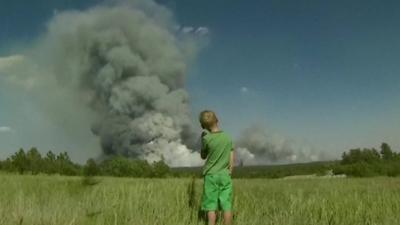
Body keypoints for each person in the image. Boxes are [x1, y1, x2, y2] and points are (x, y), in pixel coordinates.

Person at [199, 110, 235, 225]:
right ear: (217, 120)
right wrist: (229, 172)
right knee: (227, 206)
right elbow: (232, 158)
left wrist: (202, 140)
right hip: (225, 175)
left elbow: (203, 156)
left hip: (210, 176)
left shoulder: (206, 138)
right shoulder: (228, 138)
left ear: (204, 126)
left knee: (211, 207)